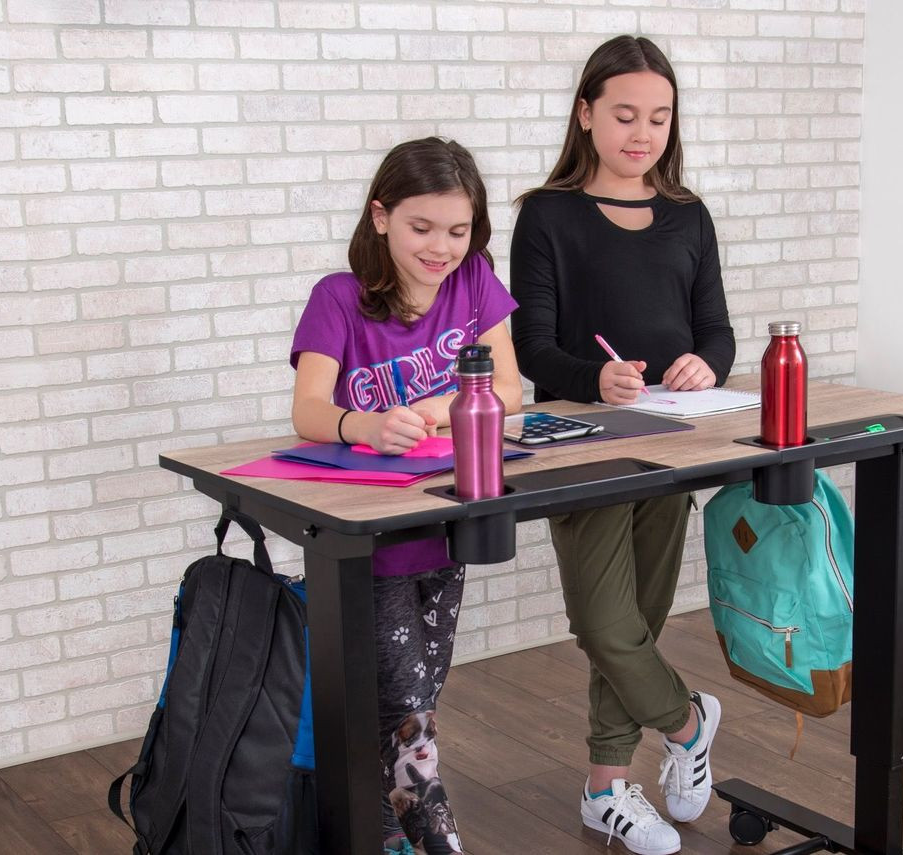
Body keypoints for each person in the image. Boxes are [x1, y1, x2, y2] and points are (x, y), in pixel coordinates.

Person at [509, 35, 736, 855]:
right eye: (625, 115)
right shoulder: (548, 215)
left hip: (673, 441)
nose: (643, 133)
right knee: (604, 622)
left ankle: (605, 788)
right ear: (586, 114)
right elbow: (532, 345)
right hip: (581, 443)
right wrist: (590, 379)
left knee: (637, 615)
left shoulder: (688, 216)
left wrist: (704, 363)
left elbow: (717, 329)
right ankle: (685, 720)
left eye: (660, 118)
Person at [290, 137, 522, 855]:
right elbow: (307, 411)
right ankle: (436, 833)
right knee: (409, 705)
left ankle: (383, 823)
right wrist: (364, 424)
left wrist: (448, 401)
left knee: (414, 694)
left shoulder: (475, 281)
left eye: (458, 230)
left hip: (444, 523)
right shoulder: (339, 297)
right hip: (368, 538)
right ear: (381, 216)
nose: (442, 247)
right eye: (422, 228)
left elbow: (510, 391)